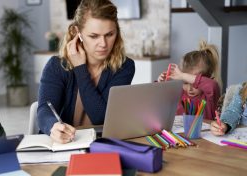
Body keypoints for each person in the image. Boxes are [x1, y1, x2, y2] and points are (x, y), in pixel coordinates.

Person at [37, 0, 135, 143]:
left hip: (101, 146)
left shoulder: (124, 67)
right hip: (63, 146)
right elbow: (44, 111)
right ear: (78, 33)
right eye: (94, 36)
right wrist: (53, 126)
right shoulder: (57, 66)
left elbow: (100, 117)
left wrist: (80, 69)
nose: (103, 44)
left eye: (109, 34)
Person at [158, 41, 221, 120]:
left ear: (207, 78)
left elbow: (212, 85)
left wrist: (183, 76)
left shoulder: (209, 96)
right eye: (185, 83)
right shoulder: (179, 93)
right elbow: (157, 99)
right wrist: (160, 84)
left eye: (194, 83)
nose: (190, 88)